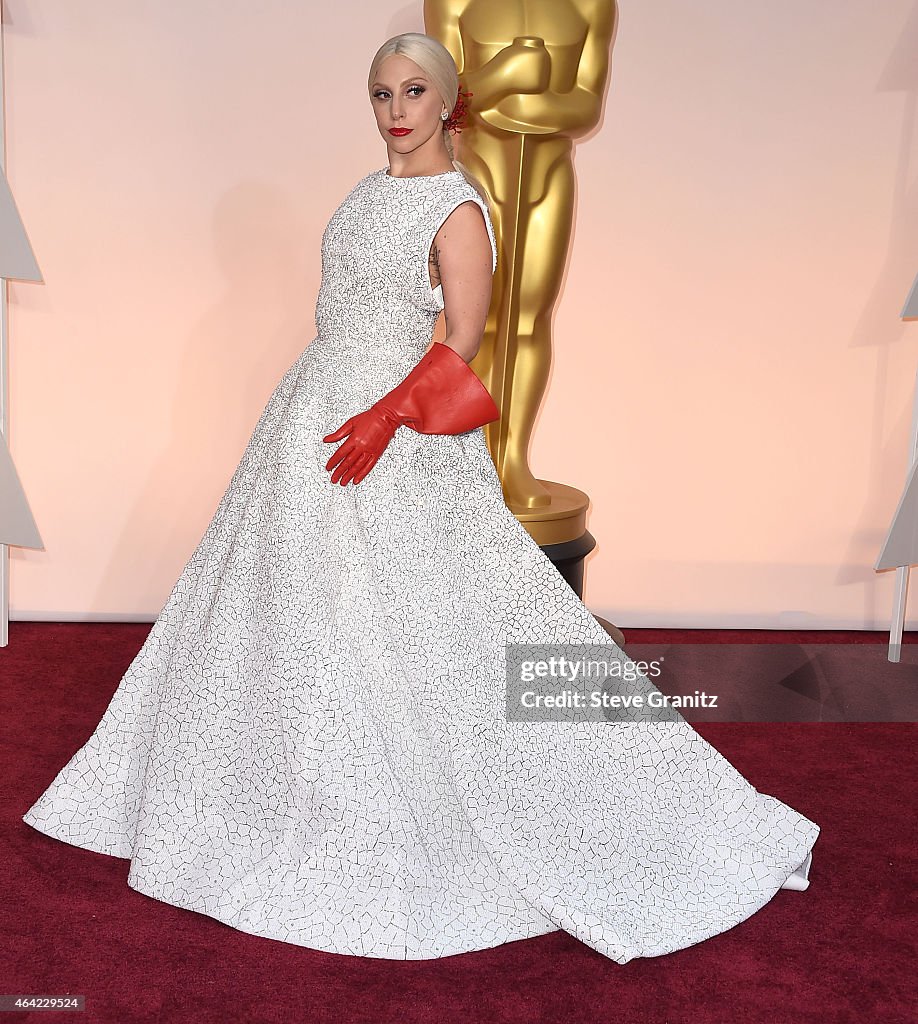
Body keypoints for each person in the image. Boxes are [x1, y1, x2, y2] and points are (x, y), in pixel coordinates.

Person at [21, 32, 818, 963]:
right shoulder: (367, 191)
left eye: (412, 91)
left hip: (393, 434)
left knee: (427, 621)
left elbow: (466, 340)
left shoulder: (458, 209)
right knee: (293, 611)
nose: (395, 110)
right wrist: (338, 409)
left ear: (448, 102)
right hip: (313, 415)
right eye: (380, 93)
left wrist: (382, 420)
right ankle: (268, 792)